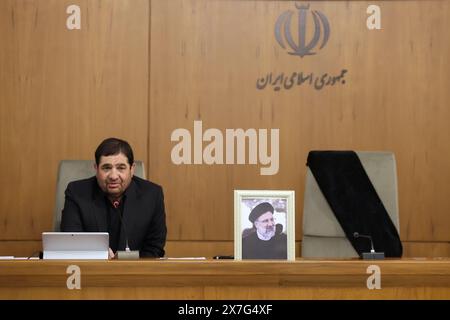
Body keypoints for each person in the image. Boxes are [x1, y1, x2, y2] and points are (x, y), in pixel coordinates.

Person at [60, 137, 167, 259]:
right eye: (106, 168)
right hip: (89, 271)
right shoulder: (77, 192)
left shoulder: (152, 195)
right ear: (96, 168)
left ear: (132, 169)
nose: (113, 176)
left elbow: (155, 248)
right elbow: (71, 240)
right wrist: (98, 255)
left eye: (121, 168)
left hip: (136, 272)